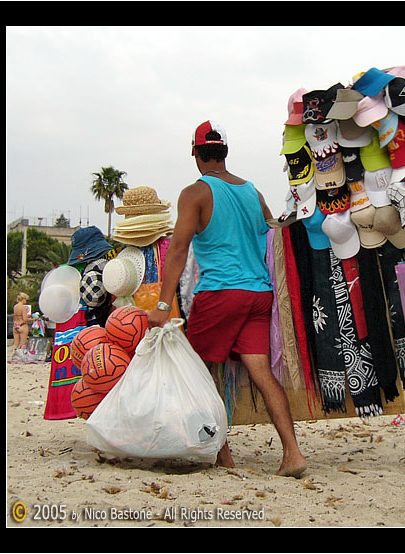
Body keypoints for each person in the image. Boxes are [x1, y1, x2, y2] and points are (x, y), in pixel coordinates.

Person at [148, 120, 307, 477]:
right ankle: (293, 453)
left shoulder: (195, 193)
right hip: (258, 294)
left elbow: (177, 251)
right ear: (225, 153)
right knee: (262, 373)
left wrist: (162, 305)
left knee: (199, 374)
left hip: (221, 294)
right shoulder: (253, 192)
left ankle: (222, 454)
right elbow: (274, 233)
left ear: (196, 154)